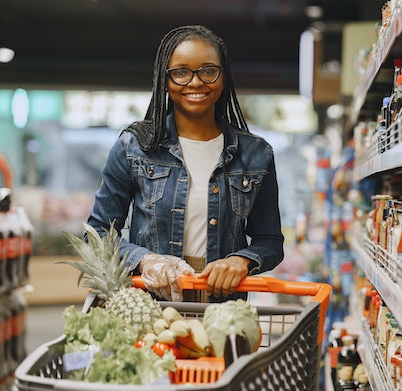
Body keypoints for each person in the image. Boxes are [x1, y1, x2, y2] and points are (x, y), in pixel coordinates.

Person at [86, 24, 284, 302]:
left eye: (208, 71)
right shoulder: (134, 148)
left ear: (223, 77)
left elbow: (271, 241)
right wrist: (146, 260)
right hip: (150, 305)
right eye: (180, 72)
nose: (195, 82)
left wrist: (244, 260)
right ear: (164, 81)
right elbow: (97, 234)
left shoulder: (256, 154)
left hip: (223, 310)